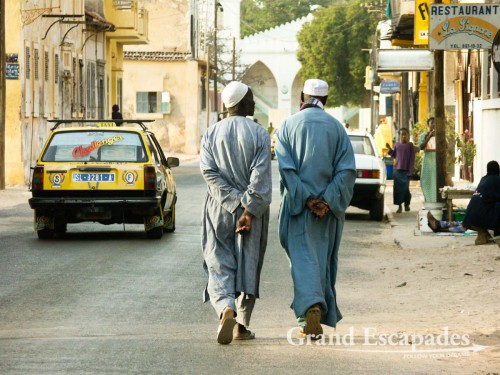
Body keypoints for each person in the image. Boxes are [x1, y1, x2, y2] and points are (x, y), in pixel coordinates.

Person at [275, 78, 356, 338]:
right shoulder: (337, 128)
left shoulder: (287, 126)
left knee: (301, 261)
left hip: (298, 209)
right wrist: (327, 200)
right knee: (322, 260)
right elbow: (346, 171)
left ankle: (309, 310)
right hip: (327, 213)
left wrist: (307, 199)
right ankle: (315, 308)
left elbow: (286, 169)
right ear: (326, 100)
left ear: (302, 97)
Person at [200, 81, 272, 345]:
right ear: (243, 104)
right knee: (247, 264)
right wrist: (248, 210)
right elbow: (261, 175)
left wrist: (232, 202)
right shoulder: (259, 133)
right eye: (251, 99)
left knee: (218, 262)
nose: (254, 103)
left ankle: (225, 309)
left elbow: (209, 173)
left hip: (218, 208)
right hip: (250, 215)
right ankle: (241, 325)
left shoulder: (210, 134)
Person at [427, 160, 500, 245]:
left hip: (469, 216)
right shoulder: (497, 180)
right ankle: (439, 226)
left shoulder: (483, 179)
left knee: (463, 225)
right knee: (466, 225)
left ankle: (440, 224)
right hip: (480, 219)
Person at [386, 128, 415, 213]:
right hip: (397, 170)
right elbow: (394, 155)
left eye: (405, 134)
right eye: (402, 134)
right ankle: (399, 206)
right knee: (398, 190)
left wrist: (410, 172)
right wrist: (389, 149)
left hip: (406, 171)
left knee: (405, 189)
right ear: (400, 136)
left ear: (408, 136)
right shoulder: (397, 144)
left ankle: (407, 204)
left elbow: (412, 159)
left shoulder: (410, 145)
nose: (403, 136)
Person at [419, 117, 437, 204]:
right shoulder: (424, 135)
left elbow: (446, 147)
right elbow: (421, 147)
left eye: (435, 123)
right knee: (425, 182)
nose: (433, 125)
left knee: (435, 182)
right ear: (428, 125)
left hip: (436, 162)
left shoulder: (440, 135)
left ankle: (435, 201)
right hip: (427, 162)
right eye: (432, 123)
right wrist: (429, 136)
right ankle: (428, 200)